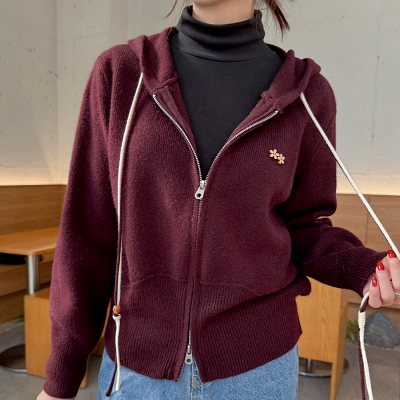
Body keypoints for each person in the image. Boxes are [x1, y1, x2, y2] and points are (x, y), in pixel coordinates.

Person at [37, 1, 400, 399]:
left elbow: (304, 226)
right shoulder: (122, 74)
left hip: (259, 373)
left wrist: (363, 266)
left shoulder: (309, 95)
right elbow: (87, 231)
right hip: (138, 371)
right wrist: (61, 377)